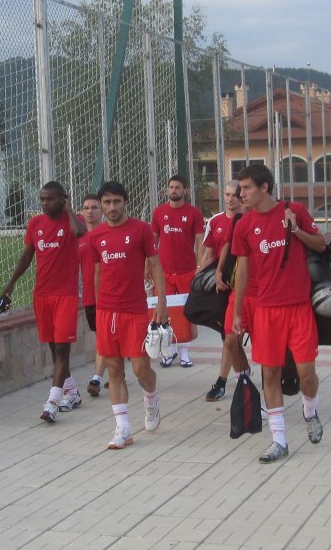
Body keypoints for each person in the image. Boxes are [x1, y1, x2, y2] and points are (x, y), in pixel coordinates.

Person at [231, 164, 327, 463]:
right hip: (266, 310)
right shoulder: (244, 225)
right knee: (269, 373)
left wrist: (295, 230)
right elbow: (243, 270)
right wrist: (237, 312)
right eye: (240, 188)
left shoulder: (293, 210)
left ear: (264, 187)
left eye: (246, 188)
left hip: (298, 307)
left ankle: (309, 411)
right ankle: (279, 440)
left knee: (305, 374)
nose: (240, 193)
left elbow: (321, 244)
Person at [90, 181, 168, 449]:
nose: (112, 207)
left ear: (125, 202)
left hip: (135, 310)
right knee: (114, 370)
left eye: (117, 202)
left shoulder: (141, 230)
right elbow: (98, 273)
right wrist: (99, 308)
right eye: (107, 202)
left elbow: (156, 266)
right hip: (107, 313)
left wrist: (161, 302)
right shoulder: (96, 236)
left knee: (140, 368)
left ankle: (151, 401)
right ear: (101, 204)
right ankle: (122, 429)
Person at [2, 181, 86, 423]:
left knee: (62, 348)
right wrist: (11, 283)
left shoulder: (72, 222)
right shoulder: (36, 224)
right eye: (42, 199)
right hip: (42, 295)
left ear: (63, 199)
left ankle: (52, 402)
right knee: (53, 347)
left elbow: (80, 233)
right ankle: (72, 391)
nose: (45, 203)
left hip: (65, 295)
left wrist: (69, 210)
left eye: (50, 199)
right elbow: (27, 257)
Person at [200, 181, 251, 401]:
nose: (230, 199)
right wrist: (202, 278)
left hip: (254, 291)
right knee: (229, 338)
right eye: (227, 194)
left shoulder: (248, 220)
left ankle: (274, 374)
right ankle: (228, 379)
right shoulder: (216, 221)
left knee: (238, 338)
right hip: (223, 289)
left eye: (235, 195)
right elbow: (209, 253)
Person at [150, 174, 205, 368]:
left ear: (185, 190)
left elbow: (200, 241)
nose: (174, 190)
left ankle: (184, 352)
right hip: (164, 273)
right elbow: (152, 241)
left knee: (184, 313)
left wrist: (200, 267)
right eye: (171, 187)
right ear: (167, 189)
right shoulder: (158, 212)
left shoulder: (194, 213)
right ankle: (169, 351)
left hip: (187, 271)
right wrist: (149, 267)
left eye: (178, 187)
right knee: (165, 311)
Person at [78, 194, 108, 397]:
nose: (90, 211)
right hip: (90, 297)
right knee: (101, 338)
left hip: (110, 295)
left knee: (104, 339)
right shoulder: (79, 238)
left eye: (94, 207)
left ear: (101, 210)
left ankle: (96, 378)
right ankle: (117, 370)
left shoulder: (108, 233)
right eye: (86, 208)